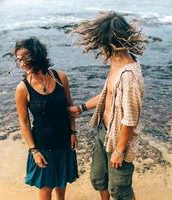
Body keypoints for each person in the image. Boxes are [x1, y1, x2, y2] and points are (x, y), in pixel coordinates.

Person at [69, 11, 146, 200]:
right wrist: (81, 108)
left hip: (120, 139)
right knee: (98, 179)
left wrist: (120, 151)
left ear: (107, 42)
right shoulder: (117, 63)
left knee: (120, 190)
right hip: (104, 132)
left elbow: (130, 119)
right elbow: (107, 94)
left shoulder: (128, 76)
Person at [14, 37, 78, 200]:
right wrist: (33, 150)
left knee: (61, 183)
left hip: (64, 140)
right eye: (18, 60)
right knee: (46, 187)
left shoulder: (60, 77)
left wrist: (73, 131)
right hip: (42, 145)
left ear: (37, 55)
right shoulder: (22, 88)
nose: (22, 64)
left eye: (25, 58)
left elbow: (69, 107)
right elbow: (24, 121)